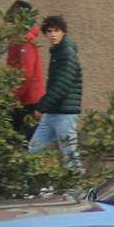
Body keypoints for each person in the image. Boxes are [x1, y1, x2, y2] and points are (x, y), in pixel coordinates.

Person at [28, 14, 82, 169]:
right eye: (49, 31)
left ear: (63, 32)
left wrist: (42, 106)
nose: (52, 35)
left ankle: (75, 192)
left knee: (69, 154)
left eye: (56, 31)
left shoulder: (67, 52)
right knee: (35, 148)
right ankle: (34, 188)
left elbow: (62, 83)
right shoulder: (58, 52)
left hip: (65, 112)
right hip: (53, 111)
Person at [4, 0, 45, 136]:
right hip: (24, 99)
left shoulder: (26, 40)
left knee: (21, 142)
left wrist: (13, 98)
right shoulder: (21, 40)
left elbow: (25, 74)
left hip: (26, 101)